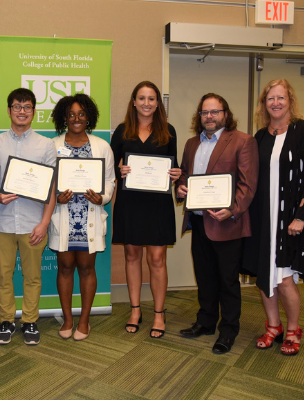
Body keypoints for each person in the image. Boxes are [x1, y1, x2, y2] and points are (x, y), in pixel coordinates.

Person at [241, 79, 304, 356]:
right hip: (264, 219)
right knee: (266, 275)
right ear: (264, 104)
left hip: (290, 221)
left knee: (285, 279)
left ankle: (293, 330)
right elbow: (249, 177)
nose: (275, 103)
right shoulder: (260, 137)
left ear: (290, 100)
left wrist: (301, 216)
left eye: (281, 97)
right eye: (270, 99)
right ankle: (273, 326)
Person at [174, 93, 257, 355]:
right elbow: (185, 174)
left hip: (227, 223)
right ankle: (206, 322)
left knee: (227, 281)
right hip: (199, 222)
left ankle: (228, 330)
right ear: (199, 117)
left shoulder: (243, 141)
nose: (209, 117)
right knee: (205, 276)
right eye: (204, 113)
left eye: (214, 112)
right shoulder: (191, 144)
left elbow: (248, 184)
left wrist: (232, 210)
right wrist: (181, 188)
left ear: (225, 113)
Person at [109, 81, 181, 339]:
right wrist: (119, 170)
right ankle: (135, 310)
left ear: (158, 103)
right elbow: (110, 167)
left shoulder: (168, 131)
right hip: (130, 203)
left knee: (157, 259)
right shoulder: (121, 131)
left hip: (157, 205)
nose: (147, 103)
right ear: (134, 102)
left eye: (152, 99)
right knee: (131, 255)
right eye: (142, 98)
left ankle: (159, 314)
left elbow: (175, 167)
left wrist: (176, 174)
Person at [0, 88, 57, 346]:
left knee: (32, 277)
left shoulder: (45, 144)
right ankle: (6, 320)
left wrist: (44, 222)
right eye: (16, 107)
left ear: (34, 112)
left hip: (33, 223)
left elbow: (52, 187)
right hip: (1, 221)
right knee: (4, 276)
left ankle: (30, 321)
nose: (21, 111)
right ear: (8, 111)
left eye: (27, 107)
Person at [47, 93, 115, 342]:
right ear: (64, 118)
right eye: (71, 114)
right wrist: (56, 195)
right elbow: (47, 181)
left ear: (89, 117)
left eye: (81, 114)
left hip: (90, 217)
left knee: (87, 268)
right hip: (64, 216)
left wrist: (103, 198)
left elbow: (110, 181)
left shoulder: (102, 146)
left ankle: (84, 321)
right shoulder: (52, 146)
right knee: (64, 267)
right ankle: (67, 319)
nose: (76, 118)